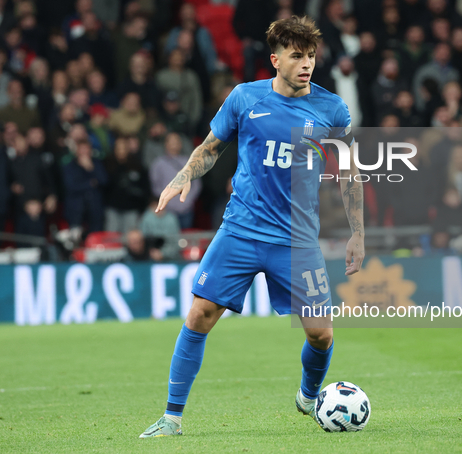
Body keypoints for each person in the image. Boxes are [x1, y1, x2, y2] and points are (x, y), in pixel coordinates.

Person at [139, 15, 364, 438]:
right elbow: (211, 148)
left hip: (296, 240)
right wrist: (183, 175)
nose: (307, 64)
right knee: (199, 316)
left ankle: (308, 396)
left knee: (321, 334)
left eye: (311, 56)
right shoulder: (245, 98)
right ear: (275, 59)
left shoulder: (331, 108)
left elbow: (349, 172)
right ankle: (171, 418)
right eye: (297, 56)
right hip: (241, 229)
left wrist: (358, 232)